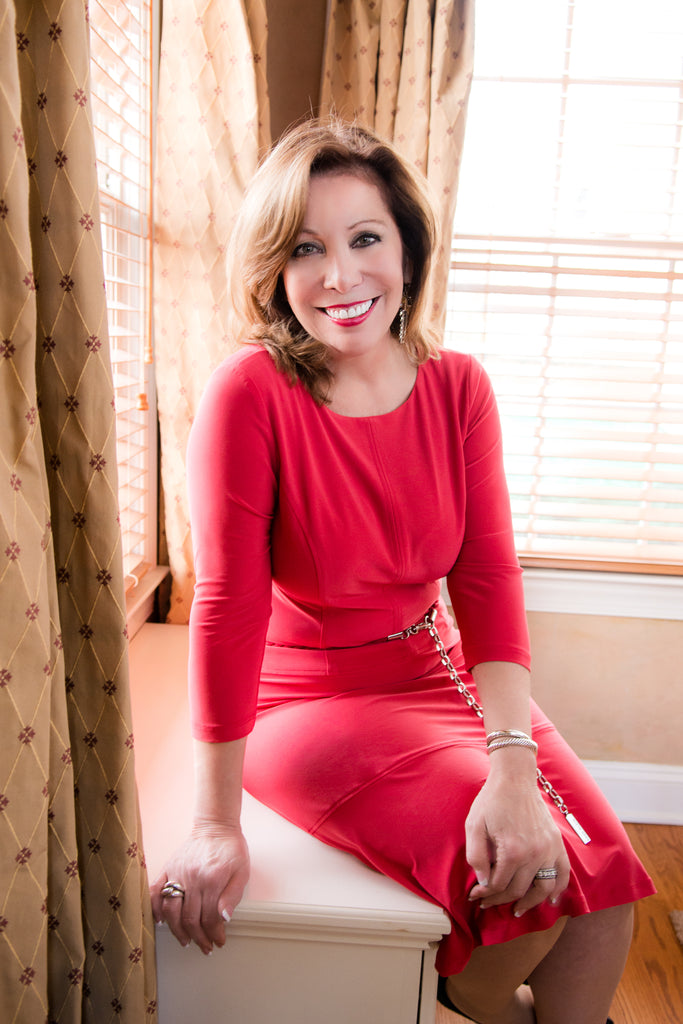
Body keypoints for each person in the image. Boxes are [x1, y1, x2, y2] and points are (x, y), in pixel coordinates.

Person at [151, 119, 655, 1024]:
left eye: (364, 238)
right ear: (274, 269)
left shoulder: (458, 385)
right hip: (305, 701)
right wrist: (213, 826)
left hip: (435, 671)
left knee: (604, 879)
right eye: (306, 248)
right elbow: (226, 609)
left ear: (409, 249)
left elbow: (489, 579)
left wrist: (510, 760)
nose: (339, 276)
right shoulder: (250, 391)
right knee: (530, 882)